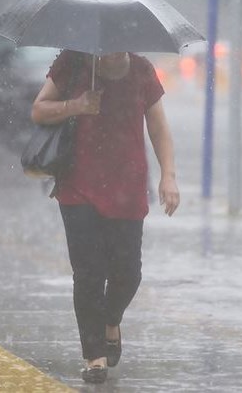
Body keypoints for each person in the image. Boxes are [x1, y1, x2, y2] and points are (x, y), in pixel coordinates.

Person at [30, 49, 180, 384]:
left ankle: (111, 320)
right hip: (78, 185)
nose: (113, 50)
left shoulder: (141, 70)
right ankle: (93, 355)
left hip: (127, 186)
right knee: (89, 273)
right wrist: (77, 105)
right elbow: (39, 110)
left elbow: (158, 127)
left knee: (129, 273)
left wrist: (168, 175)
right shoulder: (73, 62)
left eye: (121, 42)